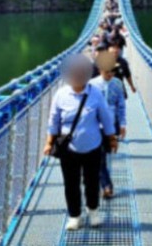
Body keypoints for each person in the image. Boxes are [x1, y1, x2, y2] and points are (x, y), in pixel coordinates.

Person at [44, 54, 118, 231]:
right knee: (71, 183)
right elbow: (53, 120)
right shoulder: (61, 95)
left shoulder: (95, 94)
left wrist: (112, 138)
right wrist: (49, 142)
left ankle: (93, 212)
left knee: (92, 181)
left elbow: (106, 118)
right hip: (69, 149)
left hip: (93, 147)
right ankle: (74, 216)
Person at [89, 63, 126, 198]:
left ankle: (101, 183)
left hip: (111, 126)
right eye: (107, 72)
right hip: (95, 125)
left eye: (113, 72)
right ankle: (107, 186)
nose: (110, 74)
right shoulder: (92, 84)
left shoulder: (117, 84)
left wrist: (122, 124)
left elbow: (121, 105)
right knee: (100, 158)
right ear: (100, 69)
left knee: (102, 156)